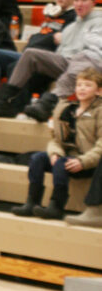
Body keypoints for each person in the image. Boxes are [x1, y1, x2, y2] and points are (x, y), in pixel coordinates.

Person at [0, 0, 102, 121]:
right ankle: (4, 102)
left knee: (81, 59)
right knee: (30, 54)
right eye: (77, 0)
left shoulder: (99, 21)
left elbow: (97, 51)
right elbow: (60, 55)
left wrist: (85, 38)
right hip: (67, 63)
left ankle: (47, 104)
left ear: (93, 3)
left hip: (92, 65)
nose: (79, 4)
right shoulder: (71, 27)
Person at [11, 69, 102, 220]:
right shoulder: (66, 108)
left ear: (99, 91)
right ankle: (32, 202)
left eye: (87, 85)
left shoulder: (99, 111)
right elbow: (56, 139)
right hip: (67, 157)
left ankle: (56, 206)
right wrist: (55, 152)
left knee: (61, 164)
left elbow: (101, 145)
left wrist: (83, 161)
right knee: (38, 159)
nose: (82, 88)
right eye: (79, 85)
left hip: (88, 162)